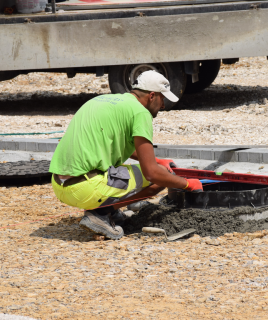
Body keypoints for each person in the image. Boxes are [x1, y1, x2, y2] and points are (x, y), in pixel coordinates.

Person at [49, 71, 203, 240]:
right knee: (162, 176)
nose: (163, 106)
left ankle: (108, 209)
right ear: (152, 96)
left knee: (152, 168)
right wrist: (188, 184)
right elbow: (152, 173)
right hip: (85, 189)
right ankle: (101, 213)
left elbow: (119, 143)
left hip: (60, 185)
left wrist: (158, 160)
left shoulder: (104, 100)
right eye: (162, 99)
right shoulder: (140, 112)